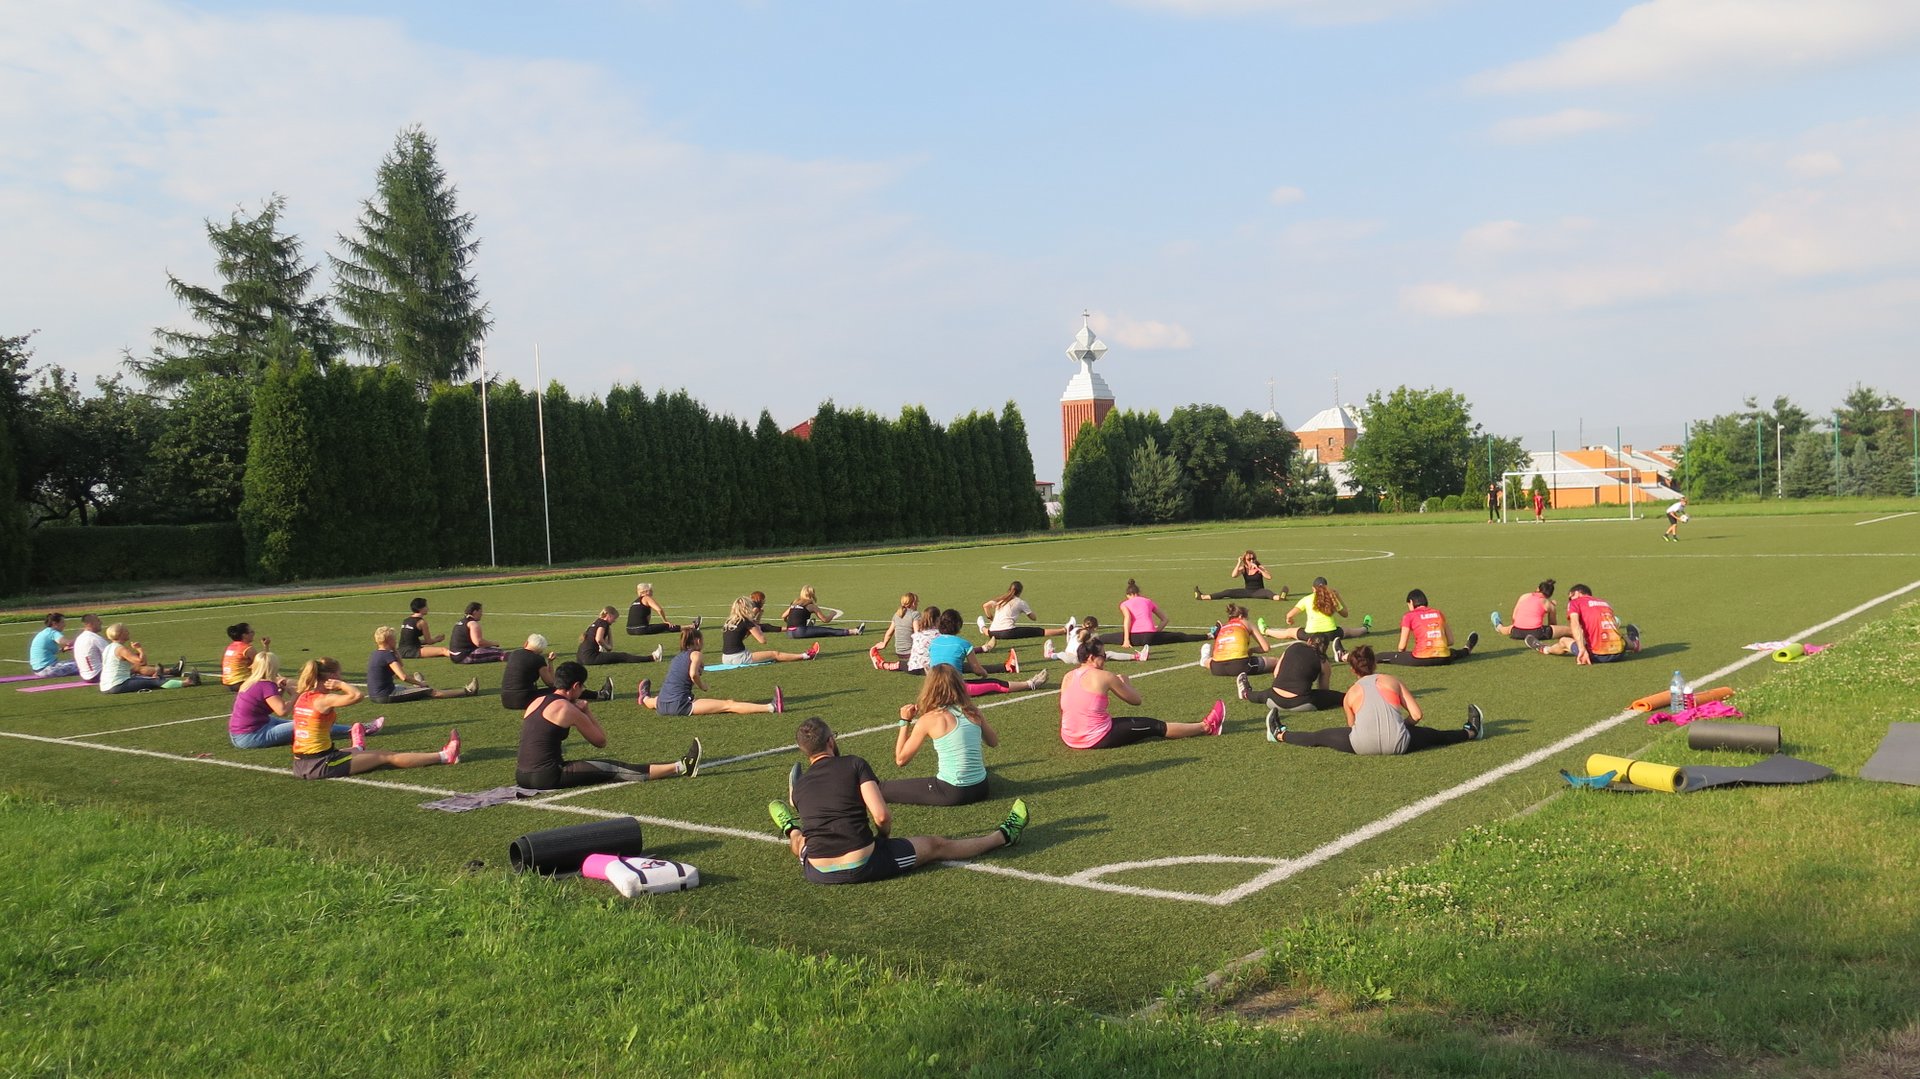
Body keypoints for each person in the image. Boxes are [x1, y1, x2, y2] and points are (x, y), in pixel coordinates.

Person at [767, 715, 1029, 886]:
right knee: (936, 845)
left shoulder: (800, 786)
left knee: (801, 841)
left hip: (817, 871)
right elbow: (881, 816)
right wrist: (883, 838)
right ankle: (1004, 836)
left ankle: (790, 827)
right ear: (831, 741)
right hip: (864, 863)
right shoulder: (854, 764)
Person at [516, 661, 702, 789]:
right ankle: (681, 767)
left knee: (594, 766)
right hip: (547, 776)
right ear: (576, 686)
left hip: (522, 775)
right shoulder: (567, 709)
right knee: (612, 768)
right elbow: (600, 741)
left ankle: (679, 766)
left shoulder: (536, 702)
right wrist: (586, 711)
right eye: (583, 687)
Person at [1269, 645, 1486, 752]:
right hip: (1400, 743)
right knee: (1435, 735)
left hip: (1360, 745)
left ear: (1353, 670)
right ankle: (1471, 731)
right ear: (1374, 664)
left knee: (1319, 737)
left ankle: (1279, 734)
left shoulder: (1350, 694)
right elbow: (1417, 715)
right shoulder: (1391, 680)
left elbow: (1353, 727)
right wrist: (1401, 725)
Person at [287, 656, 459, 779]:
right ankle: (445, 756)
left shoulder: (304, 697)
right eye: (339, 675)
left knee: (347, 753)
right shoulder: (324, 699)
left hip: (300, 764)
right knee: (385, 756)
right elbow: (357, 696)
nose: (341, 677)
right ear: (331, 677)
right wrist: (341, 685)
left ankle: (358, 747)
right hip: (321, 764)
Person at [1061, 639, 1223, 749]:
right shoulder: (1105, 676)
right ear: (1091, 657)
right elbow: (1136, 700)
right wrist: (1125, 683)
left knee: (1120, 722)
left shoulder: (1068, 676)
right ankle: (1207, 727)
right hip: (1095, 737)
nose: (1105, 659)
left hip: (1069, 736)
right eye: (1103, 656)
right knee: (1154, 726)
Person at [883, 665, 1001, 806]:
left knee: (881, 789)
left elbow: (901, 760)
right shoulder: (972, 711)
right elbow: (993, 742)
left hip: (952, 791)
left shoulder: (928, 720)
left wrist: (904, 721)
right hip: (981, 788)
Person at [230, 651, 366, 749]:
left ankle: (355, 729)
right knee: (307, 724)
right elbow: (282, 711)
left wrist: (282, 691)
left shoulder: (250, 682)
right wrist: (295, 695)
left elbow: (266, 704)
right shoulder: (266, 685)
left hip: (244, 731)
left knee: (302, 723)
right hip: (252, 735)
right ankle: (356, 730)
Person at [638, 627, 784, 716]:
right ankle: (770, 707)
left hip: (662, 704)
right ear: (698, 641)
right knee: (728, 704)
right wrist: (702, 686)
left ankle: (644, 698)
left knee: (653, 701)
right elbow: (693, 674)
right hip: (680, 705)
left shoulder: (677, 657)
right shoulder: (696, 654)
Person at [927, 609, 1047, 696]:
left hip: (934, 688)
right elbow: (977, 669)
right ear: (958, 625)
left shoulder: (933, 643)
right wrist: (984, 674)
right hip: (955, 690)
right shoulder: (963, 644)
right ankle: (1030, 684)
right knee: (995, 683)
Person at [1529, 584, 1641, 664]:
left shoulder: (1575, 603)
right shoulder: (1604, 602)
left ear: (1577, 593)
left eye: (1570, 597)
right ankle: (1634, 643)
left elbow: (1575, 624)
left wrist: (1582, 649)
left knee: (1564, 641)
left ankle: (1545, 649)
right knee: (1617, 637)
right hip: (1620, 653)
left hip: (1597, 655)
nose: (1570, 600)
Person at [368, 627, 477, 704]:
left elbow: (399, 666)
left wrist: (395, 651)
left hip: (376, 695)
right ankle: (468, 691)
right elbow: (403, 677)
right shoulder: (387, 655)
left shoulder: (376, 653)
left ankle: (417, 687)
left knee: (410, 689)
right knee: (430, 691)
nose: (396, 640)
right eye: (394, 638)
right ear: (389, 640)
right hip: (386, 695)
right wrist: (420, 683)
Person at [1241, 638, 1345, 717]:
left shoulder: (1293, 646)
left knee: (1262, 695)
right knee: (1338, 697)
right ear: (1325, 648)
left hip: (1274, 700)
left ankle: (1246, 693)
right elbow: (1324, 689)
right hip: (1302, 703)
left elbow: (1276, 673)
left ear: (1309, 641)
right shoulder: (1323, 661)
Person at [1375, 590, 1478, 666]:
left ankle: (1369, 659)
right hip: (1444, 658)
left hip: (1421, 659)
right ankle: (1466, 649)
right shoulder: (1438, 613)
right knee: (1455, 653)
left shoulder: (1409, 616)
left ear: (1411, 602)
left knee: (1385, 656)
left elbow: (1401, 647)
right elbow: (1450, 641)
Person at [1109, 579, 1210, 654]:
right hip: (1150, 637)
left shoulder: (1125, 604)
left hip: (1133, 638)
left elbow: (1128, 619)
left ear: (1127, 595)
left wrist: (1126, 640)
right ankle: (1208, 636)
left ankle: (1096, 638)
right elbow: (1165, 619)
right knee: (1180, 636)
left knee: (1106, 637)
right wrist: (1156, 633)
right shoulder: (1148, 601)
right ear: (1139, 593)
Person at [97, 623, 195, 694]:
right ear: (121, 634)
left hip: (107, 685)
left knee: (149, 679)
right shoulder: (120, 649)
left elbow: (138, 663)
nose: (128, 632)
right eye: (126, 631)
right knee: (155, 682)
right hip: (117, 684)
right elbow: (142, 662)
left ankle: (165, 674)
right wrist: (139, 649)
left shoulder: (109, 647)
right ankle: (188, 682)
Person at [1284, 577, 1369, 656]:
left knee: (1288, 632)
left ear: (1313, 589)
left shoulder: (1307, 599)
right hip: (1331, 633)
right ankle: (1365, 628)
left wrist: (1289, 619)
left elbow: (1289, 615)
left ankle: (1273, 632)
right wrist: (1338, 596)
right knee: (1350, 631)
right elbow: (1345, 614)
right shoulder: (1331, 598)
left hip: (1311, 635)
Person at [720, 596, 816, 665]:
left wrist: (758, 619)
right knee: (775, 654)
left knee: (766, 654)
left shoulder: (730, 621)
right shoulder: (746, 621)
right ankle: (805, 656)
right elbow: (762, 641)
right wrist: (758, 629)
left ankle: (804, 655)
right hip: (739, 657)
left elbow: (742, 636)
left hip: (725, 658)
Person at [977, 580, 1069, 651]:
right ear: (1020, 592)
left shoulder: (1001, 600)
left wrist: (991, 619)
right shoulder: (1020, 602)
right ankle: (1063, 630)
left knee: (988, 631)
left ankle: (982, 627)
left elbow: (985, 606)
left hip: (992, 633)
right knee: (1038, 631)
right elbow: (1033, 618)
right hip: (1008, 632)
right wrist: (1026, 611)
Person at [578, 606, 662, 666]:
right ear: (609, 615)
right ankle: (653, 657)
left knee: (615, 657)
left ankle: (653, 657)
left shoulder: (597, 622)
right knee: (623, 656)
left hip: (580, 657)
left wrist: (609, 634)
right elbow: (598, 639)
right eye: (614, 618)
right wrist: (608, 647)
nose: (614, 621)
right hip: (591, 658)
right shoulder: (604, 623)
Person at [1491, 579, 1570, 642]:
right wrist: (1551, 607)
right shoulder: (1549, 604)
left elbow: (1514, 617)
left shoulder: (1524, 596)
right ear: (1550, 594)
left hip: (1516, 632)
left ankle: (1499, 626)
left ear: (1538, 588)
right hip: (1536, 633)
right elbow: (1552, 625)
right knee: (1568, 630)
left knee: (1507, 629)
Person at [1207, 604, 1274, 678]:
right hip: (1238, 666)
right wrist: (1251, 650)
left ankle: (1204, 659)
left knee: (1211, 660)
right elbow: (1266, 648)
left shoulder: (1223, 627)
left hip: (1216, 668)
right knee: (1276, 661)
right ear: (1241, 616)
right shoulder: (1246, 623)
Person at [1196, 551, 1288, 602]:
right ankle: (1202, 596)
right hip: (1247, 591)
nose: (1251, 560)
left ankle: (1280, 598)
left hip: (1259, 591)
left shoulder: (1260, 567)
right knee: (1227, 592)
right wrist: (1238, 563)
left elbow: (1269, 577)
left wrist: (1258, 569)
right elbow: (1233, 575)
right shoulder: (1243, 568)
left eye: (1253, 558)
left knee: (1268, 593)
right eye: (1249, 559)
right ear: (1245, 560)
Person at [1047, 616, 1143, 664]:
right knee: (1109, 654)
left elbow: (1069, 640)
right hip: (1080, 659)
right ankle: (1136, 657)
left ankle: (1051, 654)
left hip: (1067, 656)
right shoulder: (1093, 637)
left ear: (1083, 625)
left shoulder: (1075, 630)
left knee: (1060, 654)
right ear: (1096, 628)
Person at [501, 634, 560, 710]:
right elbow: (551, 683)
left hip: (506, 700)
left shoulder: (513, 654)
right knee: (559, 691)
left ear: (526, 643)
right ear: (541, 650)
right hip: (524, 700)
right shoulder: (538, 659)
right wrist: (550, 662)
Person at [784, 586, 864, 638]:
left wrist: (790, 623)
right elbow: (825, 620)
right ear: (812, 594)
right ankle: (854, 631)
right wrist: (832, 614)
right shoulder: (811, 606)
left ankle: (808, 627)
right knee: (827, 630)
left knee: (813, 629)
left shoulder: (794, 603)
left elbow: (783, 616)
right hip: (800, 632)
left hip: (789, 633)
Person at [869, 591, 919, 671]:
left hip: (899, 652)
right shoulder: (915, 614)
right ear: (913, 603)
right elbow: (918, 634)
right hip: (910, 652)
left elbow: (889, 632)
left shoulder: (897, 614)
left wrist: (884, 644)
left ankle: (886, 665)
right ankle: (886, 665)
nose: (917, 604)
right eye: (917, 602)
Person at [220, 623, 268, 691]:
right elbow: (264, 664)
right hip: (241, 682)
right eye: (251, 632)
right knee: (269, 684)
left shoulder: (231, 646)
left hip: (228, 682)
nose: (253, 633)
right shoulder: (247, 649)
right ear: (244, 635)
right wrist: (266, 646)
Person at [29, 613, 78, 678]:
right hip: (48, 669)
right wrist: (81, 639)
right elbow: (68, 643)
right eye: (62, 622)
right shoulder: (53, 633)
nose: (64, 625)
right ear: (54, 623)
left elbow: (47, 651)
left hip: (39, 670)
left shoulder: (45, 632)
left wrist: (63, 649)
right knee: (81, 664)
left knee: (75, 662)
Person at [71, 614, 109, 684]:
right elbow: (112, 653)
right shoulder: (94, 638)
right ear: (90, 624)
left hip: (85, 676)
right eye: (98, 620)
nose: (101, 622)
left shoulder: (80, 638)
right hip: (96, 674)